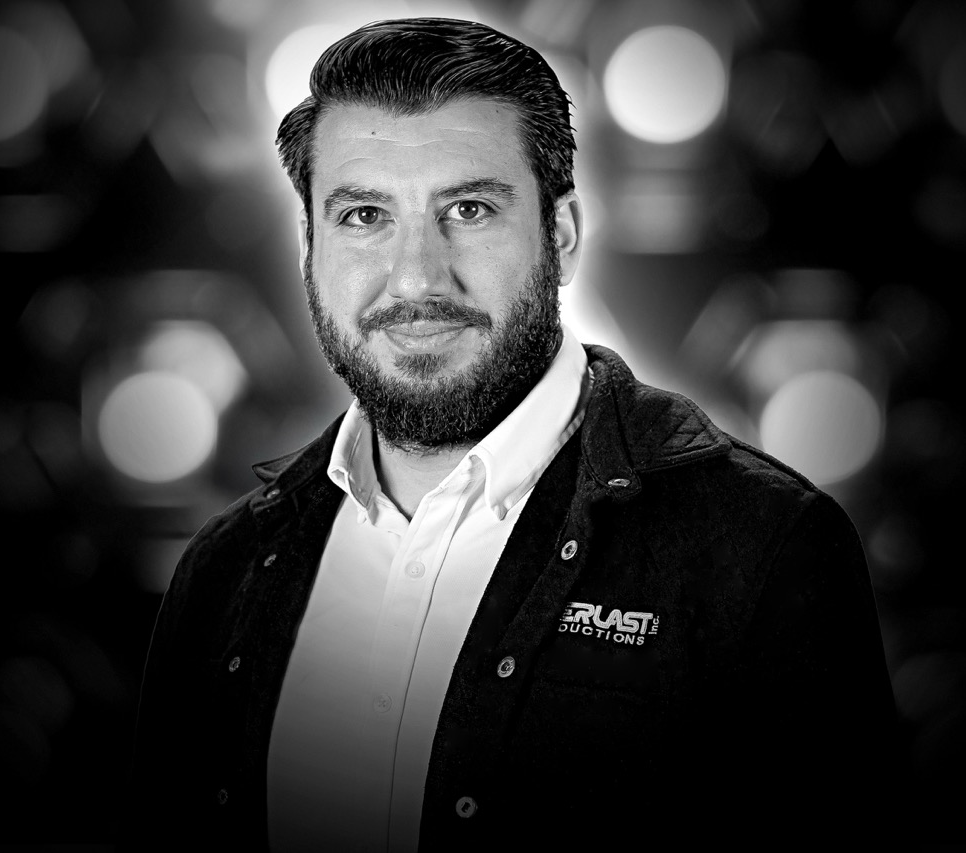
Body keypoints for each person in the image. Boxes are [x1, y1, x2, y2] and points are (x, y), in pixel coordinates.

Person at [127, 17, 901, 851]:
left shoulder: (763, 547)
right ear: (311, 246)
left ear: (561, 237)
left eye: (468, 208)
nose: (418, 276)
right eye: (363, 216)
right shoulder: (226, 570)